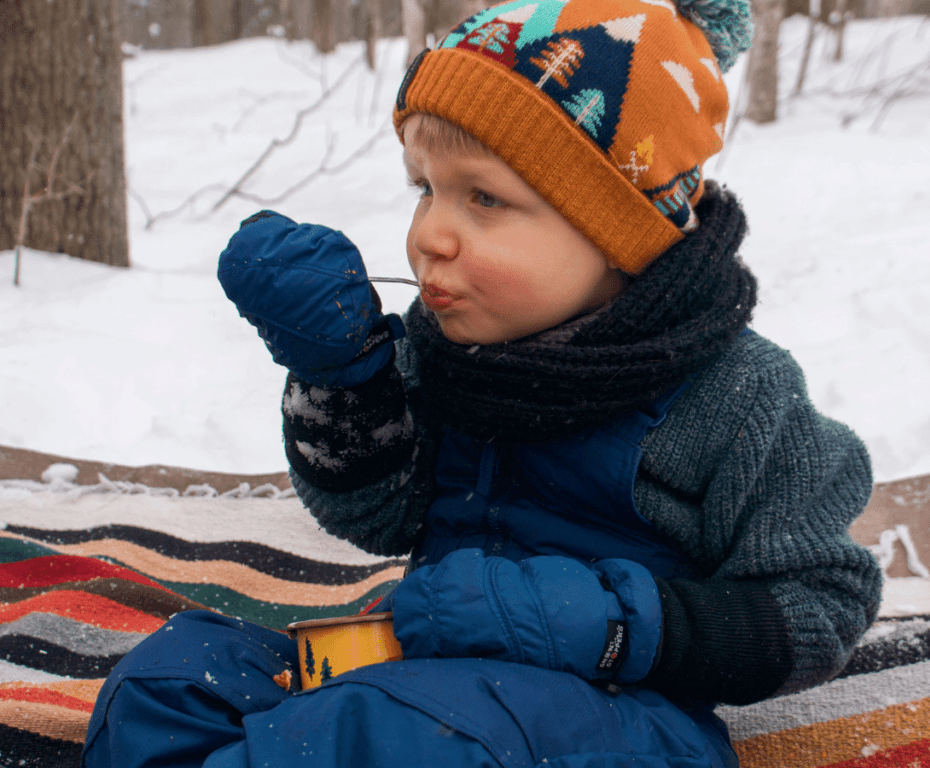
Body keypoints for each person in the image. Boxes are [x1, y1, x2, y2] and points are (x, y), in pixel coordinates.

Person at [82, 0, 883, 766]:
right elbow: (379, 513)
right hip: (426, 673)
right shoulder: (450, 347)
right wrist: (342, 376)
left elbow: (820, 607)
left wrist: (608, 623)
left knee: (377, 734)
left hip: (621, 715)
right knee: (174, 678)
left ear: (619, 231)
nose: (430, 233)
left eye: (485, 198)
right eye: (424, 188)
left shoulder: (736, 396)